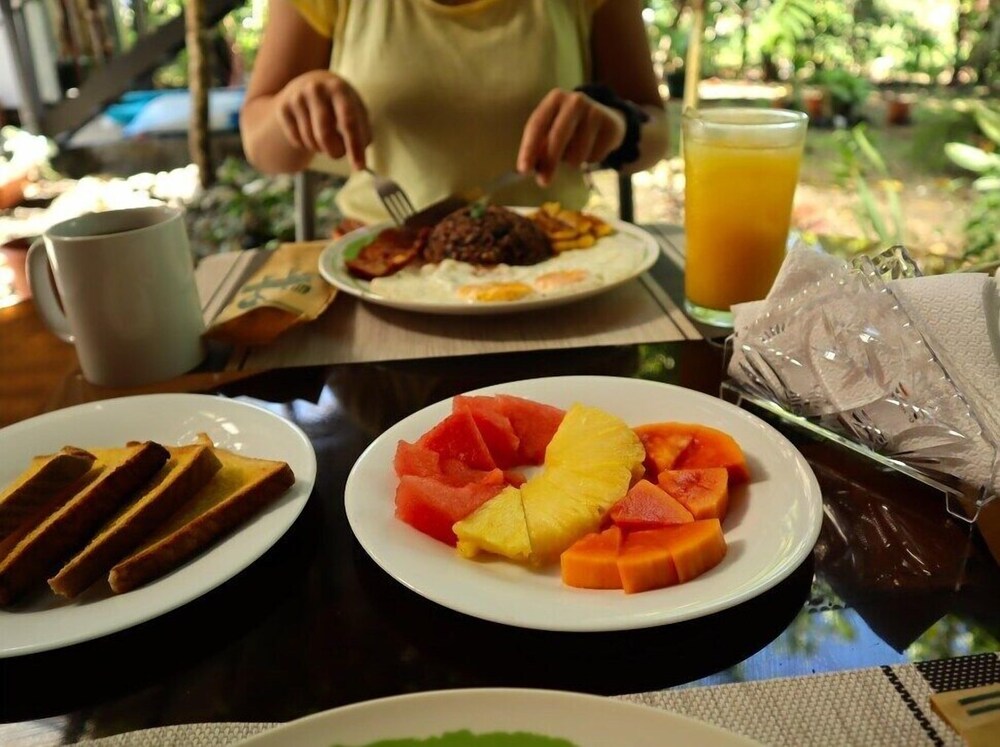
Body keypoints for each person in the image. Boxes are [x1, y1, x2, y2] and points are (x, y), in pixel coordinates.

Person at [240, 0, 670, 226]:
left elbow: (657, 127)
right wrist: (291, 109)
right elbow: (260, 143)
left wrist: (619, 127)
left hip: (558, 257)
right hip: (378, 259)